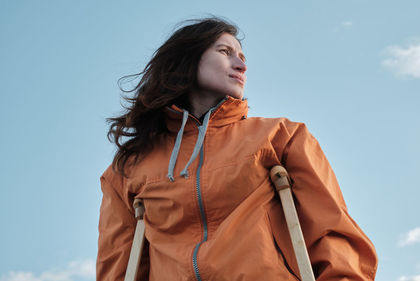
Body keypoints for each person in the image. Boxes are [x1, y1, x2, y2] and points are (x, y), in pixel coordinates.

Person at [97, 16, 378, 281]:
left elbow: (331, 231)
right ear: (186, 59)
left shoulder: (281, 137)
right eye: (225, 52)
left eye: (242, 57)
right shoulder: (127, 169)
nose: (241, 65)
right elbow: (118, 267)